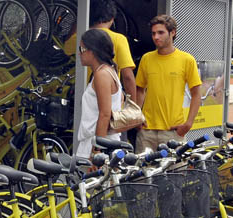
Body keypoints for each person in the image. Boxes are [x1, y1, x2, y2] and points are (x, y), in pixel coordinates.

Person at [134, 15, 201, 153]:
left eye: (160, 32)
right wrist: (137, 116)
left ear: (173, 32)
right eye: (153, 33)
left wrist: (188, 123)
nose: (156, 37)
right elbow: (140, 90)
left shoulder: (187, 60)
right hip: (146, 131)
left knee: (174, 173)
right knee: (142, 174)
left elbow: (196, 94)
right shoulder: (146, 59)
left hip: (173, 131)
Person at [87, 0, 139, 147]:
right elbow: (128, 76)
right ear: (112, 18)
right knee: (114, 146)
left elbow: (65, 47)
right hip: (112, 103)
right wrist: (132, 108)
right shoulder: (118, 39)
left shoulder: (83, 37)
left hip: (87, 100)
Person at [74, 29, 131, 159]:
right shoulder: (110, 71)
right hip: (105, 141)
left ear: (92, 51)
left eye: (82, 49)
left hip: (98, 144)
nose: (79, 53)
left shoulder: (102, 74)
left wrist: (97, 151)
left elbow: (105, 114)